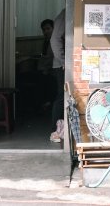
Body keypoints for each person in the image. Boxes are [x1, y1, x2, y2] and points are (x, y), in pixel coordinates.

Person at [49, 8, 65, 142]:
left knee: (63, 97)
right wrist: (64, 61)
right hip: (61, 65)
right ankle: (55, 130)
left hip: (62, 64)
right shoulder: (64, 15)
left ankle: (59, 129)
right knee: (62, 97)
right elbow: (54, 39)